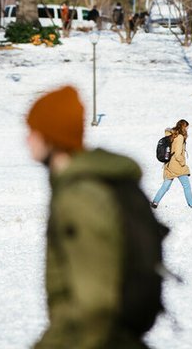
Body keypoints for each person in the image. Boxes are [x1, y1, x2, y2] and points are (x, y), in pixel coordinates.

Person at [26, 85, 159, 348]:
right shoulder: (89, 185)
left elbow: (94, 306)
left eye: (33, 132)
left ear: (51, 136)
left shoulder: (80, 197)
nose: (27, 140)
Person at [152, 119, 192, 209]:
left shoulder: (172, 135)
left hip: (169, 164)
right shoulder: (179, 137)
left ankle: (155, 202)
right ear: (184, 127)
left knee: (165, 186)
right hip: (178, 165)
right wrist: (183, 162)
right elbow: (177, 154)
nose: (187, 129)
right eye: (187, 127)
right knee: (186, 186)